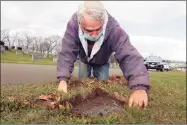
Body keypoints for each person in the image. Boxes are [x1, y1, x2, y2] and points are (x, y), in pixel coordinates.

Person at [57, 1, 150, 108]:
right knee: (82, 83)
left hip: (102, 61)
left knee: (102, 85)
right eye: (89, 30)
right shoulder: (73, 24)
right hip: (84, 60)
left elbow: (128, 55)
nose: (94, 35)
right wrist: (63, 80)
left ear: (103, 21)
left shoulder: (114, 28)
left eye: (98, 29)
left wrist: (139, 87)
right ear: (80, 23)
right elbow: (67, 51)